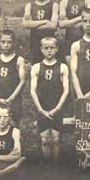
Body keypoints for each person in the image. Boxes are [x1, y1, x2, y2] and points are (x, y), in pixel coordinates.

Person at [30, 37, 69, 165]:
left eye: (52, 48)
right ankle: (48, 167)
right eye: (46, 48)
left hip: (57, 106)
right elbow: (33, 90)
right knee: (45, 139)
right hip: (42, 107)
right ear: (41, 49)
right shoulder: (36, 67)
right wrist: (40, 110)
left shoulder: (62, 67)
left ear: (57, 49)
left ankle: (56, 166)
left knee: (56, 139)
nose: (49, 51)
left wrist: (57, 108)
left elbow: (66, 90)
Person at [0, 30, 25, 127]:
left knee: (14, 124)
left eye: (9, 42)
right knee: (1, 123)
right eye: (3, 42)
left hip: (14, 99)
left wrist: (11, 98)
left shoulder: (19, 60)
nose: (6, 45)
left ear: (14, 43)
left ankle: (16, 140)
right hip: (0, 98)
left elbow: (22, 81)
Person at [58, 0, 90, 65]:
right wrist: (80, 18)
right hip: (69, 39)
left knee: (85, 66)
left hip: (85, 38)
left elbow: (89, 17)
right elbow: (61, 24)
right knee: (71, 68)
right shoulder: (64, 2)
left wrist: (69, 22)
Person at [23, 0, 59, 64]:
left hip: (50, 43)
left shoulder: (54, 5)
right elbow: (26, 24)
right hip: (35, 43)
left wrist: (33, 24)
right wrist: (45, 21)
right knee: (36, 67)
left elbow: (53, 26)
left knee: (50, 66)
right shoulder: (30, 6)